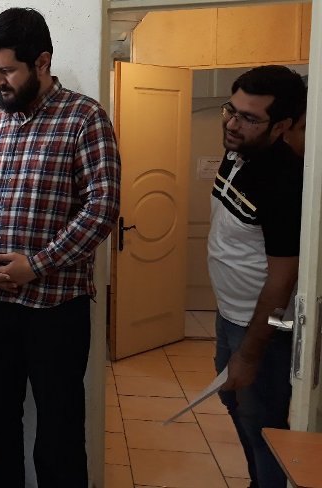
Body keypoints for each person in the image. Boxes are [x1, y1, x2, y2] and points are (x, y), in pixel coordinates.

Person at [0, 8, 121, 487]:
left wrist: (37, 265)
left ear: (42, 62)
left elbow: (103, 208)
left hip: (56, 308)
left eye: (7, 70)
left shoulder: (84, 118)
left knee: (60, 430)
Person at [208, 65, 306, 488]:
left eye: (249, 118)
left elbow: (283, 280)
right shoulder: (238, 152)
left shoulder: (285, 181)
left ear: (281, 125)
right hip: (229, 314)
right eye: (231, 110)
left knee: (263, 424)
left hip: (263, 327)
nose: (232, 124)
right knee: (234, 401)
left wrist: (250, 352)